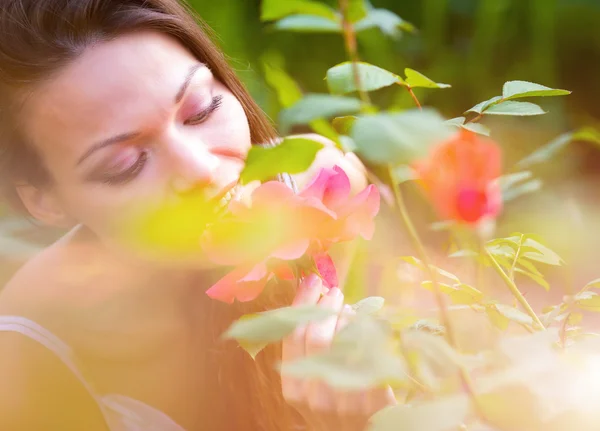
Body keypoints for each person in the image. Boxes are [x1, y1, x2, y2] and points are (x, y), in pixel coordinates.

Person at [0, 0, 394, 430]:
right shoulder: (26, 359)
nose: (202, 171)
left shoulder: (321, 195)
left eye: (201, 109)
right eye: (125, 164)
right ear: (46, 200)